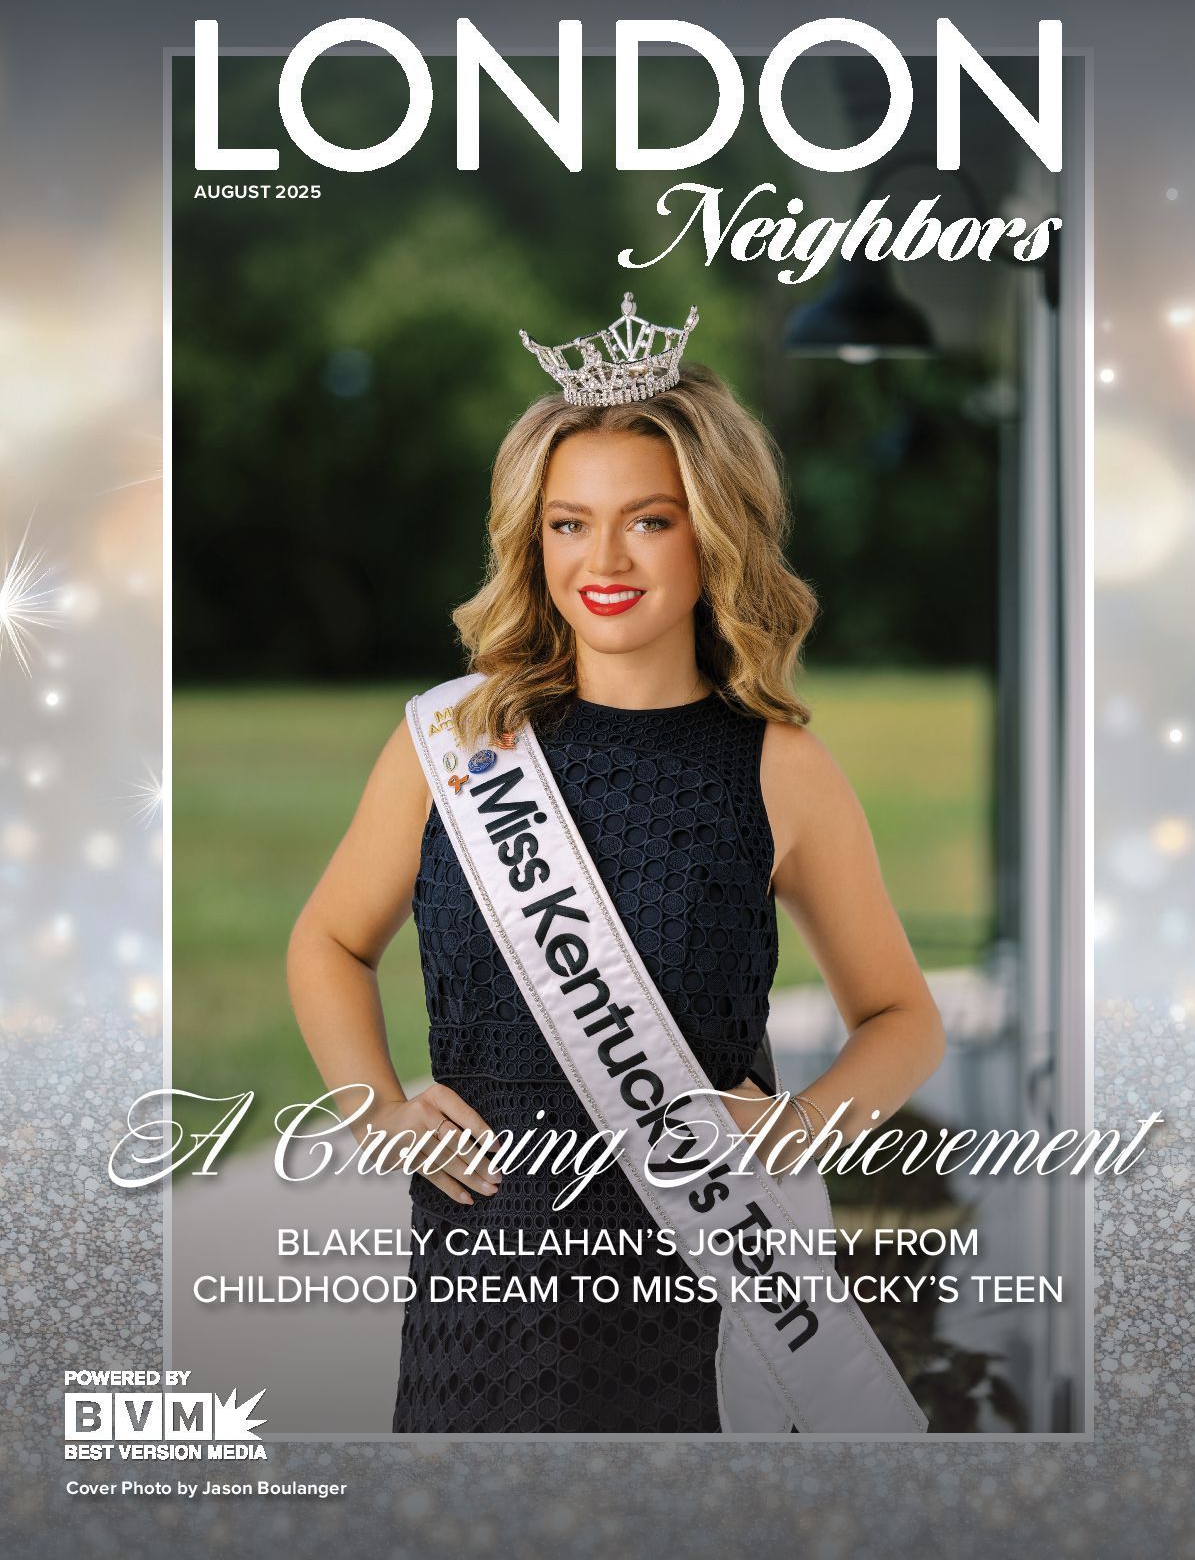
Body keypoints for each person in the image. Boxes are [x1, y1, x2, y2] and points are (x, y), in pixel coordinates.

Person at [286, 305, 946, 1433]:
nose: (602, 561)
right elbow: (329, 943)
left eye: (648, 520)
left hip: (697, 1281)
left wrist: (801, 1126)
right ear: (530, 541)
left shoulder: (779, 766)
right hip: (481, 1273)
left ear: (715, 533)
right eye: (567, 523)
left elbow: (900, 1017)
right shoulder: (451, 743)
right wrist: (377, 1105)